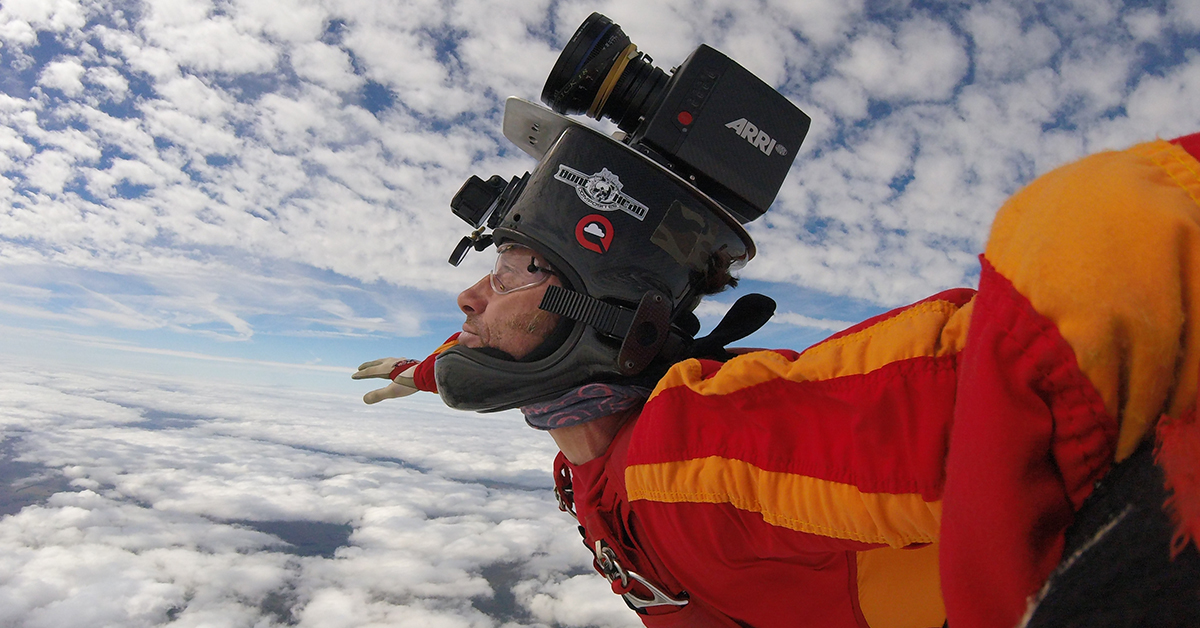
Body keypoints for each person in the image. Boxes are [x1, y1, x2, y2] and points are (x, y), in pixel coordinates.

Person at [356, 93, 1200, 627]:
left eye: (509, 267)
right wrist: (432, 368)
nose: (470, 296)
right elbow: (530, 331)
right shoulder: (600, 456)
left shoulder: (699, 458)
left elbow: (1012, 378)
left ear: (601, 305)